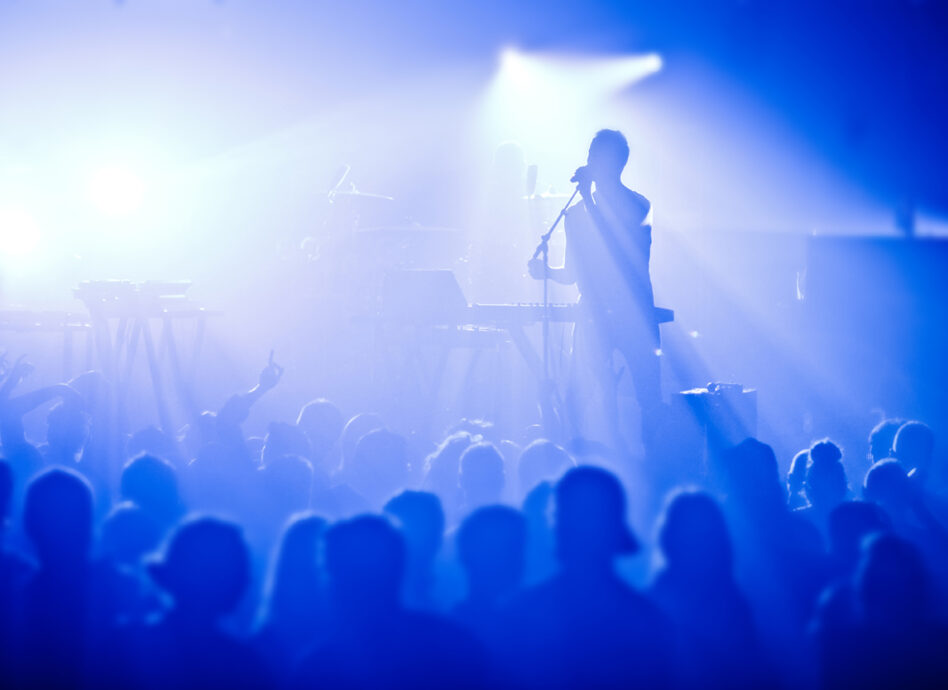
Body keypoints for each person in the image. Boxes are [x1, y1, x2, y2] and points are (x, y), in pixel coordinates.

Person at [528, 129, 661, 449]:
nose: (590, 162)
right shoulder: (574, 215)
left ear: (618, 163)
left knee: (648, 396)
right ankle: (598, 453)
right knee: (584, 394)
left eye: (597, 157)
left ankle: (655, 457)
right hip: (593, 314)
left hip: (634, 313)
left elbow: (619, 247)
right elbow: (573, 274)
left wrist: (588, 198)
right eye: (589, 156)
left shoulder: (640, 205)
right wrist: (546, 272)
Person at [498, 466, 673, 689]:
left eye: (584, 516)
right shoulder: (649, 620)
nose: (570, 528)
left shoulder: (520, 614)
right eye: (567, 516)